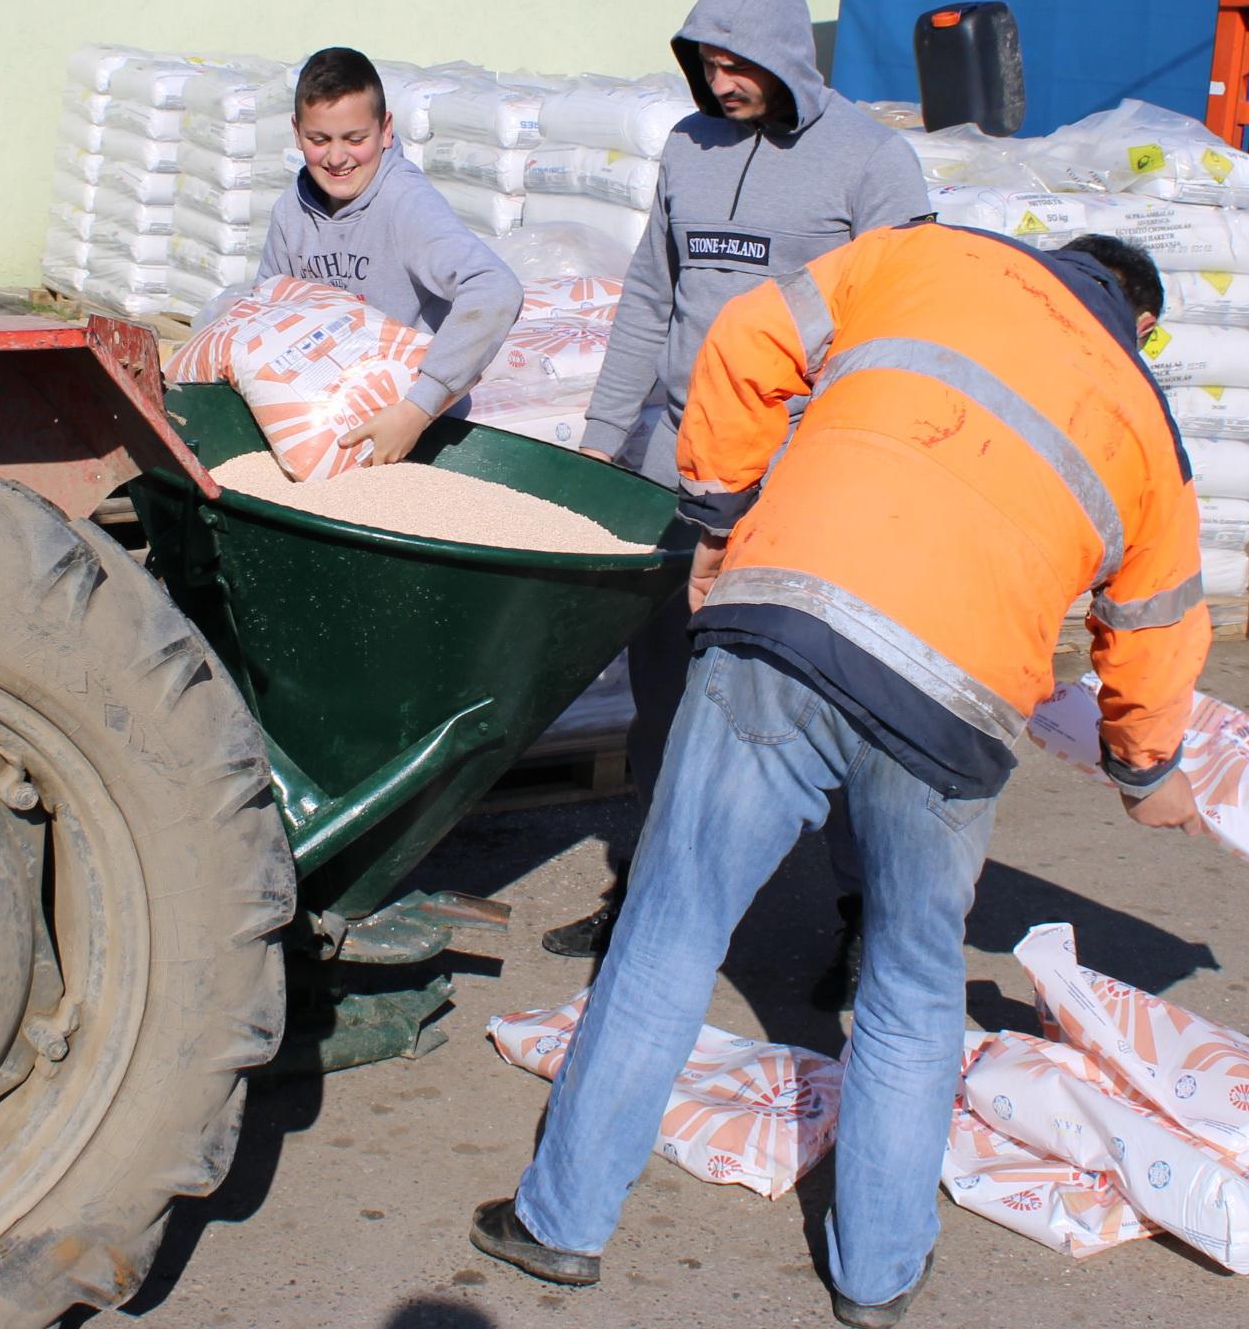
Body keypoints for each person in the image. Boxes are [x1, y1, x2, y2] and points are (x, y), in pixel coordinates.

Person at [470, 231, 1211, 1325]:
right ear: (1138, 326)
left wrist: (716, 521)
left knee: (671, 928)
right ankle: (877, 1277)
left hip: (787, 625)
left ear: (1054, 258)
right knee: (915, 992)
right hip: (954, 712)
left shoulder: (931, 257)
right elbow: (1156, 624)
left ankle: (560, 1223)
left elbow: (744, 336)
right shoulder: (1153, 433)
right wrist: (1147, 769)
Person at [548, 0, 932, 1003]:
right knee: (663, 697)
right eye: (707, 63)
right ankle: (646, 894)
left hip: (807, 483)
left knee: (835, 702)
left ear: (786, 55)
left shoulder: (871, 162)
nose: (721, 85)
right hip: (677, 462)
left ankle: (867, 925)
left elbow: (906, 324)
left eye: (739, 64)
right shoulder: (688, 148)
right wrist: (600, 437)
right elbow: (647, 300)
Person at [236, 45, 524, 466]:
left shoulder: (405, 204)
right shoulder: (290, 213)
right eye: (319, 140)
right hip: (324, 428)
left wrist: (417, 409)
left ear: (385, 129)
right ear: (297, 133)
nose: (336, 158)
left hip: (412, 435)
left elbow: (495, 289)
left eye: (355, 139)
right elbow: (268, 313)